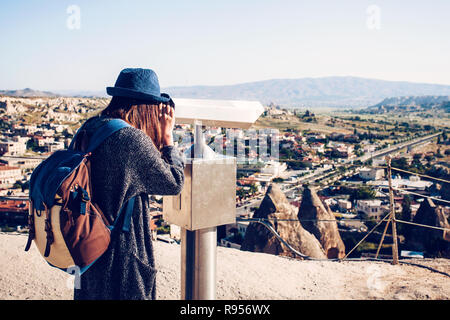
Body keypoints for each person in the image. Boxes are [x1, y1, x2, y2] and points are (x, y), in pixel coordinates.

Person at [73, 68, 185, 300]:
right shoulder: (132, 139)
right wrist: (167, 140)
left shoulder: (89, 128)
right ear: (146, 108)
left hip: (86, 246)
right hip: (122, 254)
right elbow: (174, 182)